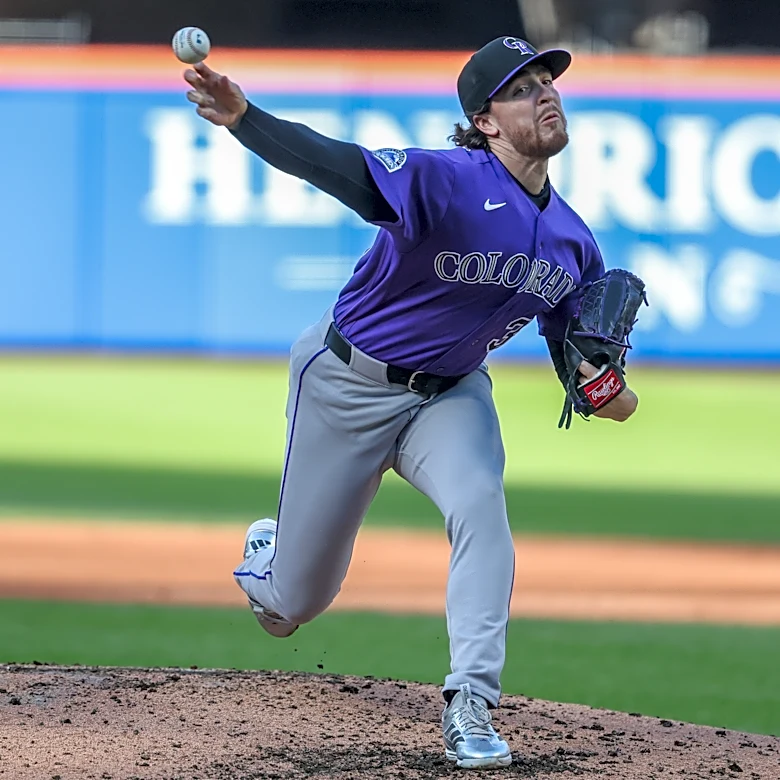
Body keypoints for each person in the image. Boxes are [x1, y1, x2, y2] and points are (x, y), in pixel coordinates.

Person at [183, 36, 639, 769]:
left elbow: (592, 388)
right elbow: (339, 167)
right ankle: (271, 552)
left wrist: (607, 388)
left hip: (450, 396)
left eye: (547, 81)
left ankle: (472, 705)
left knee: (481, 505)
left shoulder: (572, 244)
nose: (545, 94)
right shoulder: (446, 179)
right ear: (486, 122)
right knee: (290, 609)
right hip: (346, 386)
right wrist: (246, 119)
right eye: (521, 89)